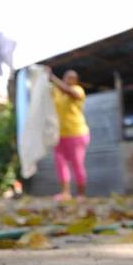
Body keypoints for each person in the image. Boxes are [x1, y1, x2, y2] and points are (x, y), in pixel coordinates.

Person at [49, 69, 89, 200]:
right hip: (59, 134)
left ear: (76, 81)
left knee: (77, 163)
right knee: (61, 164)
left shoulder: (78, 90)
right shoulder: (56, 92)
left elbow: (69, 91)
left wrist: (52, 77)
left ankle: (81, 194)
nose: (69, 80)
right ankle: (65, 193)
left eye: (72, 78)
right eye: (67, 77)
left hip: (76, 133)